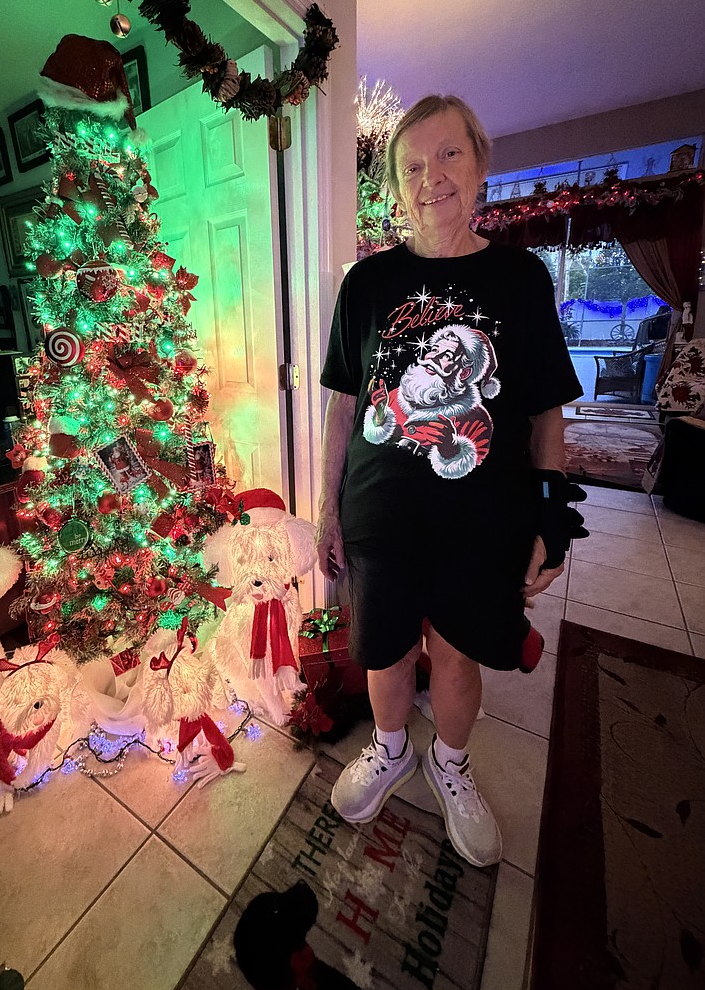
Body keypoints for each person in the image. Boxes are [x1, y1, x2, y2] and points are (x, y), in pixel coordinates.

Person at [317, 94, 587, 868]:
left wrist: (551, 521)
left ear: (479, 166)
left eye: (447, 156)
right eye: (410, 165)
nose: (428, 177)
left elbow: (545, 417)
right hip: (380, 516)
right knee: (386, 652)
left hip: (482, 521)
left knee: (460, 655)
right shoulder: (365, 284)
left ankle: (451, 765)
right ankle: (393, 746)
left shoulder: (521, 278)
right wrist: (325, 508)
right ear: (394, 187)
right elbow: (343, 406)